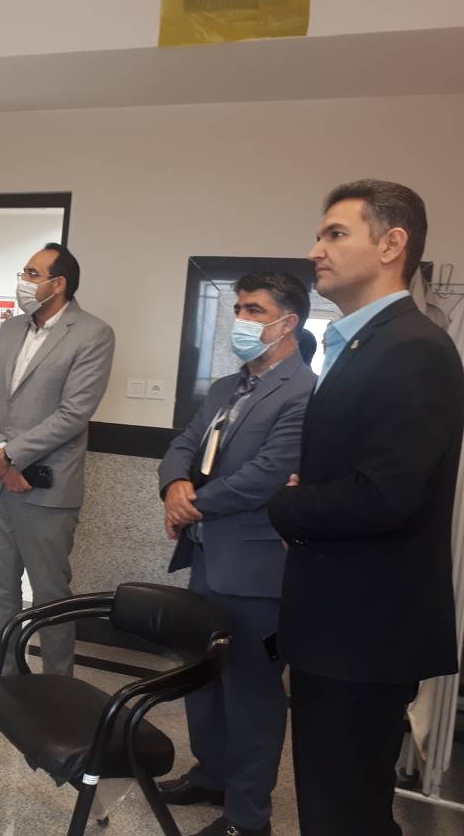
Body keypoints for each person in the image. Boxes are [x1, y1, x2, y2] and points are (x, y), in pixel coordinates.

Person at [268, 180, 464, 836]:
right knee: (336, 803)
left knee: (345, 812)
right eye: (319, 235)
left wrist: (290, 506)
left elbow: (386, 496)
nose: (316, 250)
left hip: (365, 634)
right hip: (341, 625)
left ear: (391, 244)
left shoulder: (412, 349)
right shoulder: (361, 343)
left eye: (335, 234)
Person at [157, 271, 315, 836]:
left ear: (288, 322)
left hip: (257, 570)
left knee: (252, 693)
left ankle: (248, 816)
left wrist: (191, 505)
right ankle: (211, 775)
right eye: (238, 309)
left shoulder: (305, 392)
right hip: (205, 559)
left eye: (254, 311)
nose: (240, 321)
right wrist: (174, 486)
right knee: (202, 677)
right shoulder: (227, 386)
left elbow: (268, 474)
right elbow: (184, 442)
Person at [0, 243, 115, 719]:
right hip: (0, 485)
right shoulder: (10, 329)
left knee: (51, 597)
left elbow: (74, 413)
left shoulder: (93, 334)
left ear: (58, 283)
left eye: (32, 273)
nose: (23, 280)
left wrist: (10, 455)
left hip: (48, 489)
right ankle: (0, 687)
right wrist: (0, 458)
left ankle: (58, 696)